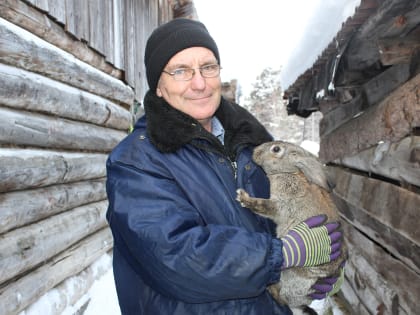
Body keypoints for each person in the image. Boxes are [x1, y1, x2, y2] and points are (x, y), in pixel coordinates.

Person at [106, 18, 344, 315]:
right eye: (181, 71)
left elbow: (292, 206)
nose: (199, 83)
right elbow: (176, 257)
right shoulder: (136, 161)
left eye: (208, 67)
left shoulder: (252, 142)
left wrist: (323, 264)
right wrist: (282, 255)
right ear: (159, 88)